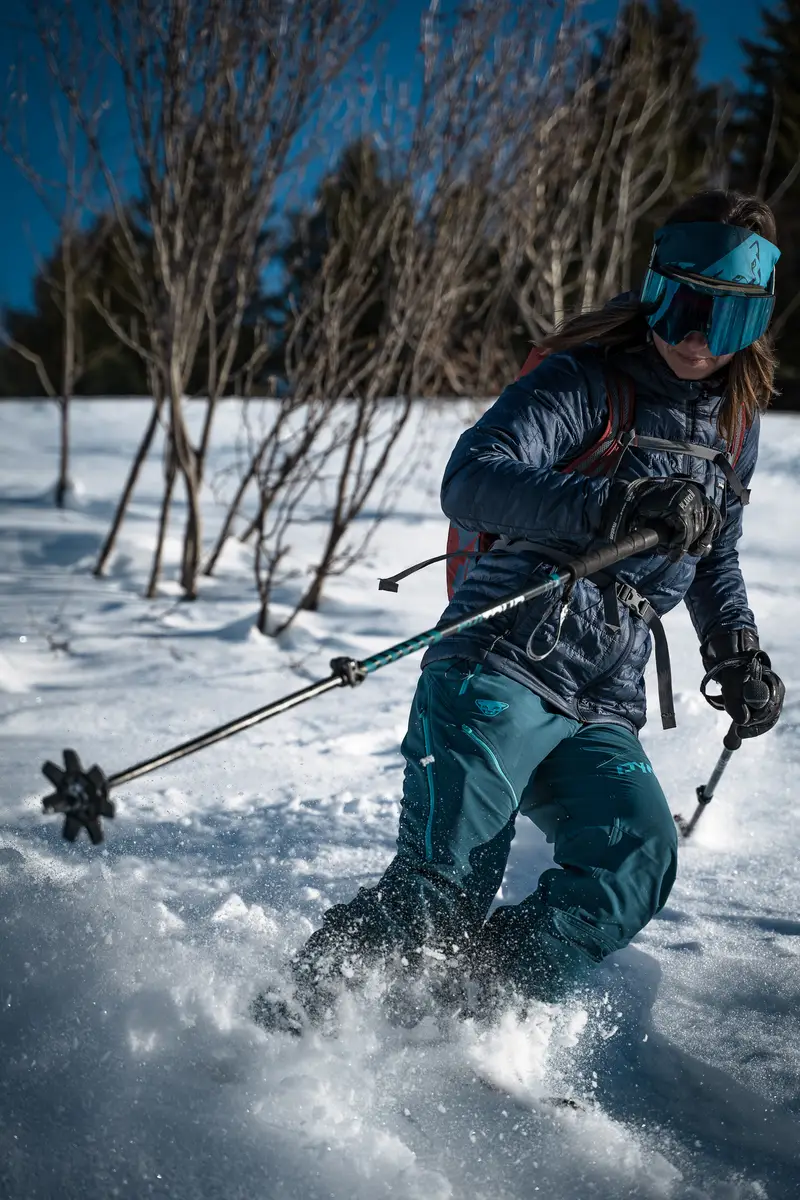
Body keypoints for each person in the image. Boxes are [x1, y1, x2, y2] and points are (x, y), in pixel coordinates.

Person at [254, 190, 786, 1035]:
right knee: (438, 896)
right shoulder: (584, 382)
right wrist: (613, 505)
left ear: (752, 326)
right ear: (653, 289)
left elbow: (713, 551)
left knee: (632, 863)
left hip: (602, 700)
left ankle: (464, 1022)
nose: (694, 338)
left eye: (721, 323)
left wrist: (737, 654)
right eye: (681, 305)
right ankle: (272, 1032)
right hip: (499, 663)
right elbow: (470, 477)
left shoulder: (732, 424)